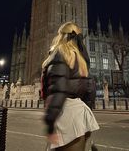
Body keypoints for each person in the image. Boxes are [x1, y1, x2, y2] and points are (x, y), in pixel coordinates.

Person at [41, 22, 99, 150]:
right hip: (81, 114)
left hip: (66, 116)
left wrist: (50, 122)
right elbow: (90, 90)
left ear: (61, 35)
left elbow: (58, 91)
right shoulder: (81, 59)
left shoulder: (60, 53)